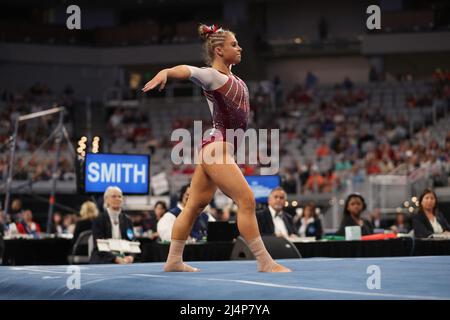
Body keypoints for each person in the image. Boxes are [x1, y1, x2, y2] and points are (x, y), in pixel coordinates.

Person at [143, 24, 290, 272]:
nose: (240, 47)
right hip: (216, 149)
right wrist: (167, 72)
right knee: (247, 200)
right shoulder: (213, 76)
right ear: (219, 50)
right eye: (234, 44)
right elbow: (188, 71)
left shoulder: (238, 81)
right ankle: (265, 261)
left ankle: (174, 260)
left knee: (194, 206)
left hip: (218, 149)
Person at [90, 186, 135, 264]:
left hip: (124, 258)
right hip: (104, 258)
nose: (117, 199)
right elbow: (99, 245)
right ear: (106, 200)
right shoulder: (99, 219)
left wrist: (131, 256)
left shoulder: (127, 220)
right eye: (114, 196)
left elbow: (132, 241)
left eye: (119, 196)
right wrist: (115, 258)